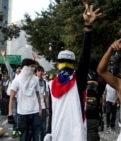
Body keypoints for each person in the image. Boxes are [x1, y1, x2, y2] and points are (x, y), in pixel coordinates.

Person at [44, 5, 102, 141]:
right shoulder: (51, 84)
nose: (65, 65)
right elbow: (52, 112)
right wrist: (48, 132)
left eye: (68, 62)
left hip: (76, 136)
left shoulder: (79, 80)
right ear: (57, 64)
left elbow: (85, 56)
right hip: (57, 135)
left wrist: (88, 28)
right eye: (62, 62)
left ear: (75, 65)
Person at [8, 58, 42, 141]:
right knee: (23, 136)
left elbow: (38, 94)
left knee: (36, 135)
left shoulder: (36, 79)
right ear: (25, 68)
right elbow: (11, 98)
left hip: (35, 111)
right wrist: (10, 114)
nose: (33, 69)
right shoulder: (16, 81)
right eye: (31, 66)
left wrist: (40, 108)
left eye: (34, 67)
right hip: (22, 113)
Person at [35, 66, 50, 141]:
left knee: (43, 128)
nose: (40, 72)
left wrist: (47, 108)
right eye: (39, 71)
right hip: (35, 109)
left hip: (43, 108)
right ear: (36, 72)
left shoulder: (45, 82)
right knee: (35, 128)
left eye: (42, 71)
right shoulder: (33, 81)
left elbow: (46, 96)